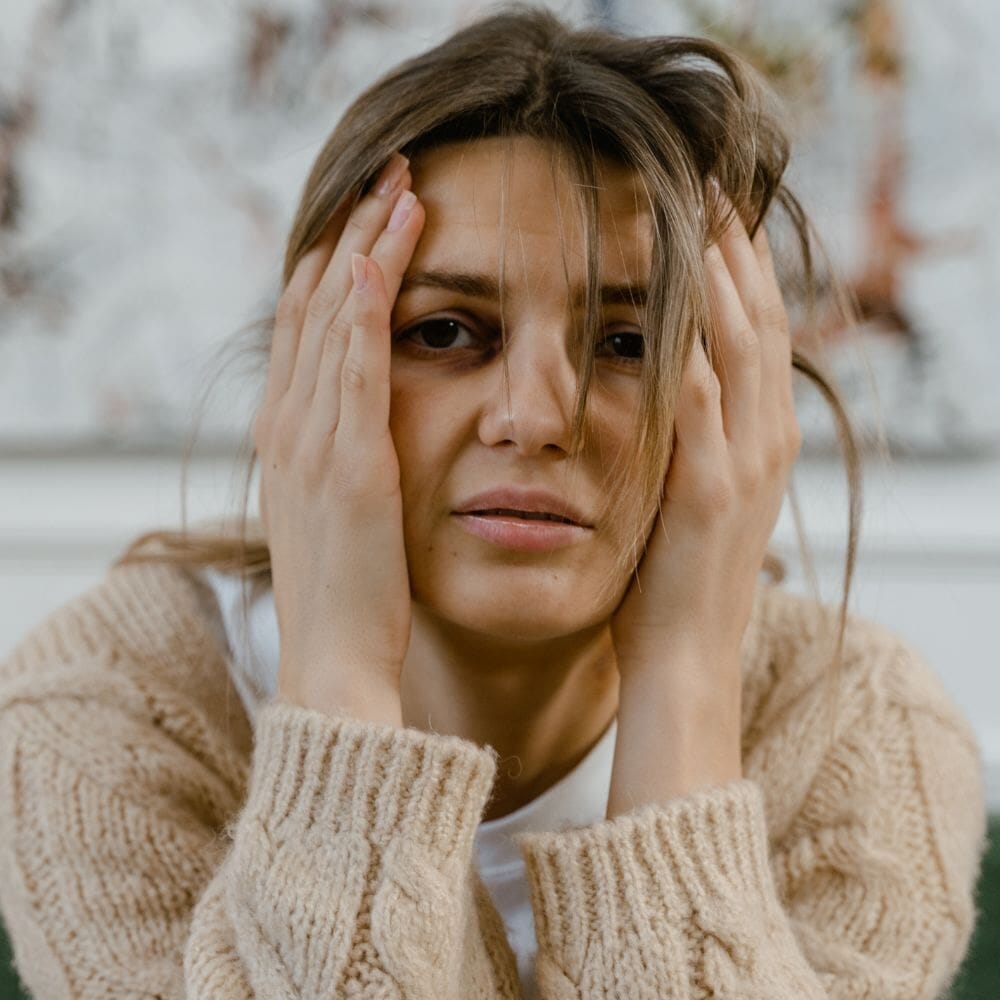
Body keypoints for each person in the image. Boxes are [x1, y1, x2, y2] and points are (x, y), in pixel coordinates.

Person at [0, 5, 987, 998]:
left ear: (738, 392)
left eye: (628, 343)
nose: (533, 418)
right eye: (442, 331)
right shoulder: (107, 715)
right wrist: (339, 682)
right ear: (312, 365)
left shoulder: (859, 733)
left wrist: (683, 685)